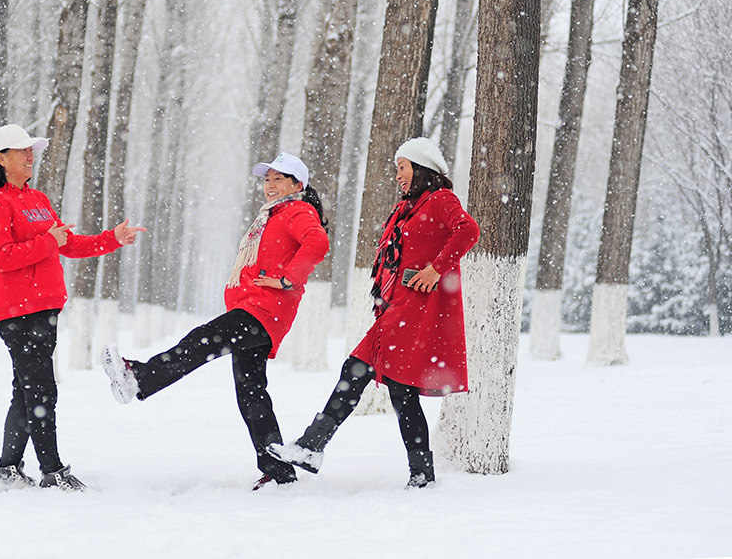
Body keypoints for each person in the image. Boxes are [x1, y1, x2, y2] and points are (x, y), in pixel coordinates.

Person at [101, 153, 329, 490]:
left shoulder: (297, 210)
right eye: (267, 179)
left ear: (298, 185)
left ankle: (139, 378)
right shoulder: (274, 214)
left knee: (201, 341)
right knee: (251, 393)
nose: (270, 185)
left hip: (264, 310)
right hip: (257, 309)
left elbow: (318, 242)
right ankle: (279, 472)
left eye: (279, 179)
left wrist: (286, 279)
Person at [267, 137, 479, 488]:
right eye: (397, 168)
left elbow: (467, 230)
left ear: (421, 166)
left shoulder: (441, 199)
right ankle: (421, 474)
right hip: (399, 307)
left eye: (402, 167)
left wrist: (436, 269)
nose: (398, 175)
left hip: (416, 309)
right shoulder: (408, 207)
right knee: (400, 391)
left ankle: (312, 446)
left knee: (359, 368)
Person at [0, 124, 145, 491]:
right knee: (41, 391)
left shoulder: (36, 199)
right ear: (1, 158)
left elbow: (67, 244)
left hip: (44, 308)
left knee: (26, 389)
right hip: (17, 312)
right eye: (22, 150)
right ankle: (52, 472)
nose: (29, 155)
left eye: (31, 149)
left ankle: (7, 470)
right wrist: (44, 241)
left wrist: (111, 239)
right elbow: (0, 258)